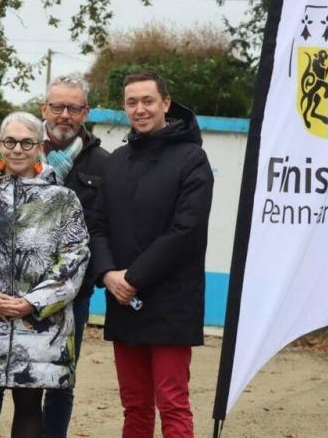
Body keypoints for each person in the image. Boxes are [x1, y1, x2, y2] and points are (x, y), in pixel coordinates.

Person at [0, 112, 90, 438]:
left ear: (40, 146)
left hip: (41, 326)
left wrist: (32, 303)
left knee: (28, 407)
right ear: (0, 144)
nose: (17, 149)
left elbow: (75, 258)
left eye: (27, 142)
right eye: (10, 141)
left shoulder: (63, 200)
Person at [89, 70, 214, 438]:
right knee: (135, 405)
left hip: (172, 303)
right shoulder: (116, 161)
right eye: (131, 102)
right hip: (123, 300)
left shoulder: (193, 159)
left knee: (172, 403)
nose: (140, 109)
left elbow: (186, 231)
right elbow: (97, 227)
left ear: (166, 104)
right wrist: (108, 274)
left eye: (147, 100)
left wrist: (133, 277)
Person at [39, 74, 109, 438]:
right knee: (16, 382)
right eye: (57, 106)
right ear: (44, 109)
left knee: (61, 382)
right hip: (20, 294)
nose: (64, 115)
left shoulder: (104, 163)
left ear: (86, 112)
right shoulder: (20, 150)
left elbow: (106, 229)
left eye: (74, 108)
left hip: (73, 296)